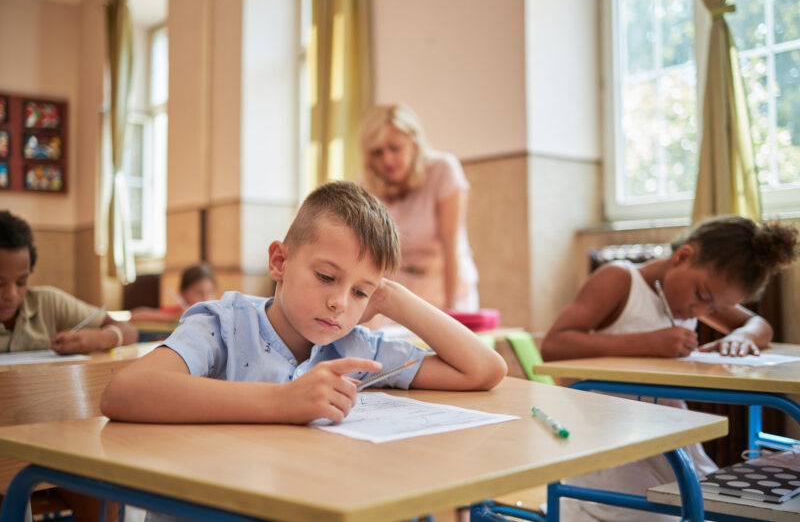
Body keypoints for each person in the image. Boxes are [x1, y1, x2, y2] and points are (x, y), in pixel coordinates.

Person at [100, 180, 507, 425]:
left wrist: (395, 299)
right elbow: (125, 392)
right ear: (280, 261)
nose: (339, 303)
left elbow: (485, 370)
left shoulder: (355, 350)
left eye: (360, 292)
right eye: (327, 277)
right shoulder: (222, 325)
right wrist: (282, 402)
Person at [540, 215, 799, 522]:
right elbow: (554, 345)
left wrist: (743, 335)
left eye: (714, 309)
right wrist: (646, 343)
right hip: (611, 436)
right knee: (654, 515)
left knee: (712, 507)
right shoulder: (620, 279)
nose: (701, 312)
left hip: (670, 433)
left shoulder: (701, 292)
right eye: (702, 297)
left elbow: (759, 324)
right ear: (683, 256)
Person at [359, 103, 479, 313]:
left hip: (444, 285)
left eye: (395, 148)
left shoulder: (443, 170)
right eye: (378, 153)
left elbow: (451, 246)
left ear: (414, 144)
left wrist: (452, 312)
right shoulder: (365, 187)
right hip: (398, 291)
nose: (387, 159)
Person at [0, 210, 138, 354]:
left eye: (21, 282)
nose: (11, 295)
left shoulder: (48, 303)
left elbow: (130, 331)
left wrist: (97, 339)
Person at [129, 262, 217, 324]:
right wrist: (174, 318)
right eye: (199, 293)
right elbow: (135, 316)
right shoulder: (178, 313)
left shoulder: (217, 314)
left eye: (210, 293)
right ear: (183, 293)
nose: (206, 299)